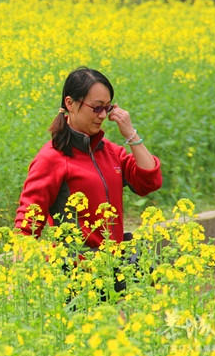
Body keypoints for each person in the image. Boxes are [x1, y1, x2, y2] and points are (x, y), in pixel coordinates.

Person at [15, 67, 162, 249]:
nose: (102, 115)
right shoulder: (51, 158)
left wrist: (131, 134)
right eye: (96, 107)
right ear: (70, 103)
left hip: (113, 266)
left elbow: (149, 181)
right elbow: (27, 223)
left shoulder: (110, 151)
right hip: (76, 271)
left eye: (107, 108)